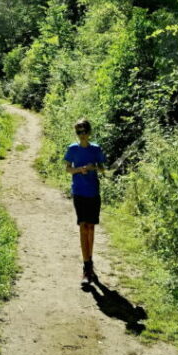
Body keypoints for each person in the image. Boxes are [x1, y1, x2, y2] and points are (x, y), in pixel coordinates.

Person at [64, 118, 106, 286]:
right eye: (78, 132)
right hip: (79, 192)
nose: (82, 135)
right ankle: (86, 266)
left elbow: (103, 168)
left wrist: (93, 167)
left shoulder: (96, 149)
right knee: (83, 226)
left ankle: (90, 260)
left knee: (91, 227)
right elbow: (67, 168)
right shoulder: (72, 149)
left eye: (84, 131)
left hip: (93, 192)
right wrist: (79, 170)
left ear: (89, 132)